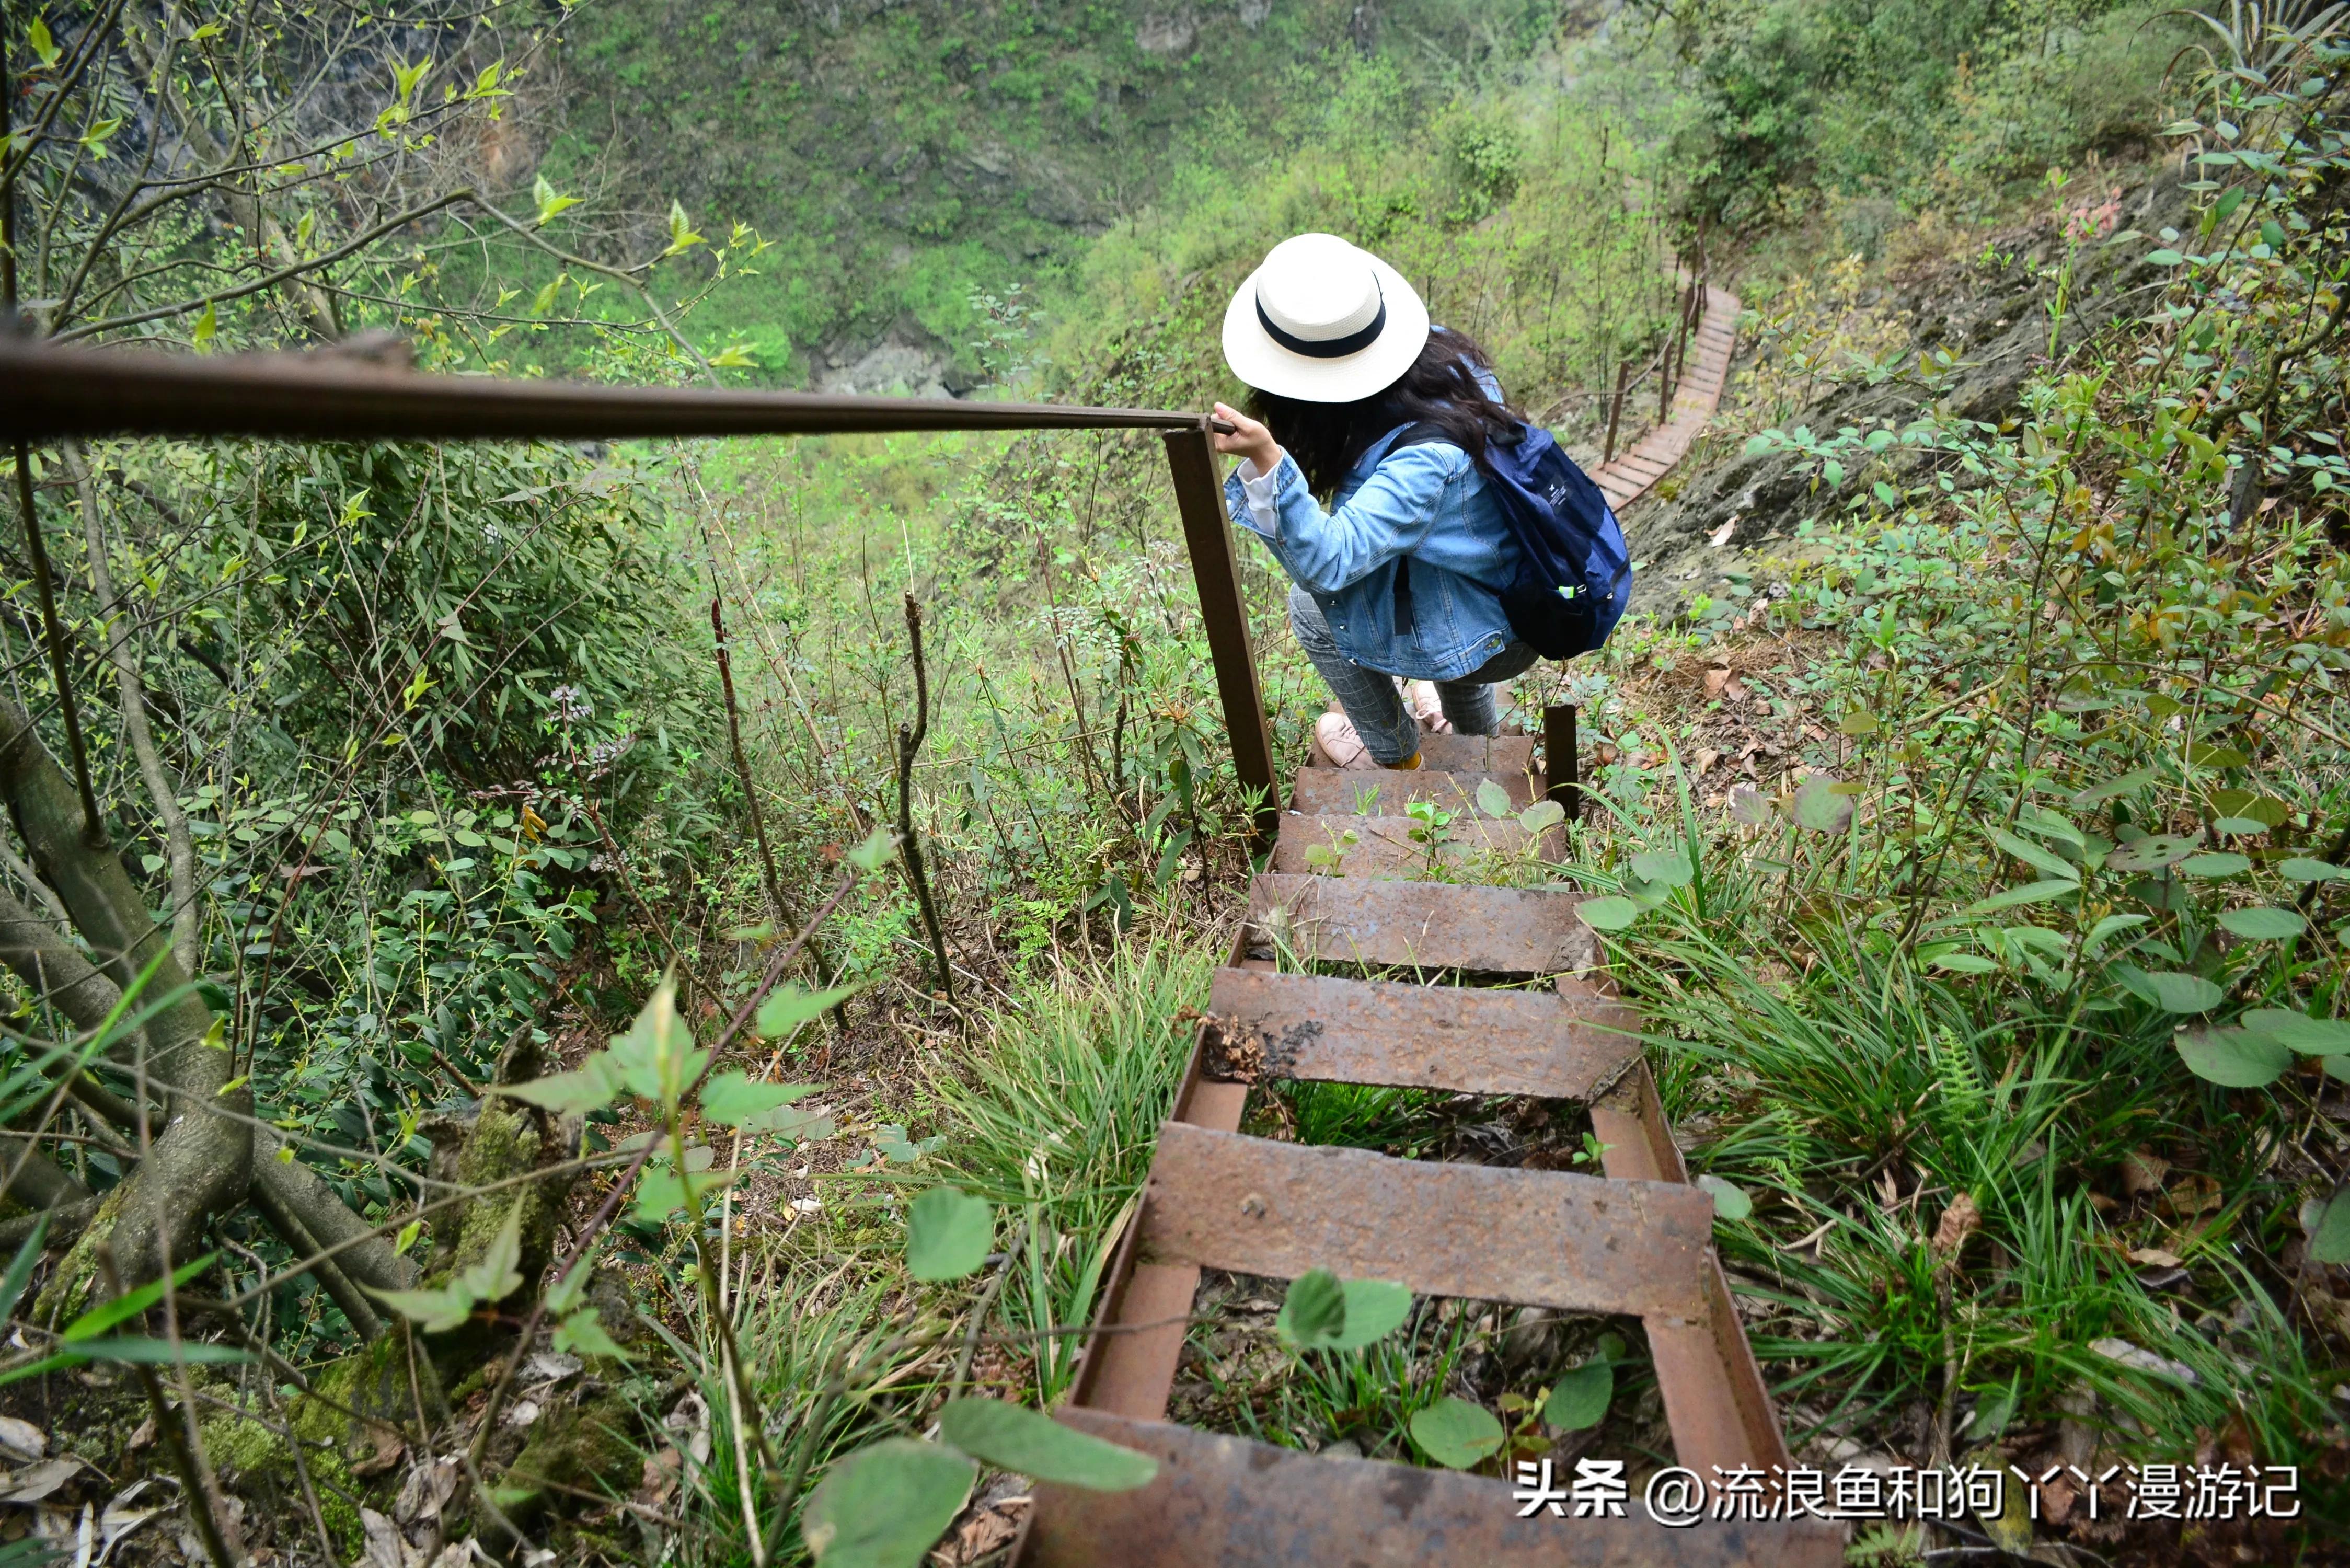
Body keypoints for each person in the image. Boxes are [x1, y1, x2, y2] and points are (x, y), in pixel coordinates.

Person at [1209, 232, 1537, 770]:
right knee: (1423, 578)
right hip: (1490, 588)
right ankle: (1479, 752)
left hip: (1492, 635)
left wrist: (1269, 461)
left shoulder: (1420, 463)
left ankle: (1395, 760)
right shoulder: (1442, 361)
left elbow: (1329, 563)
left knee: (1309, 609)